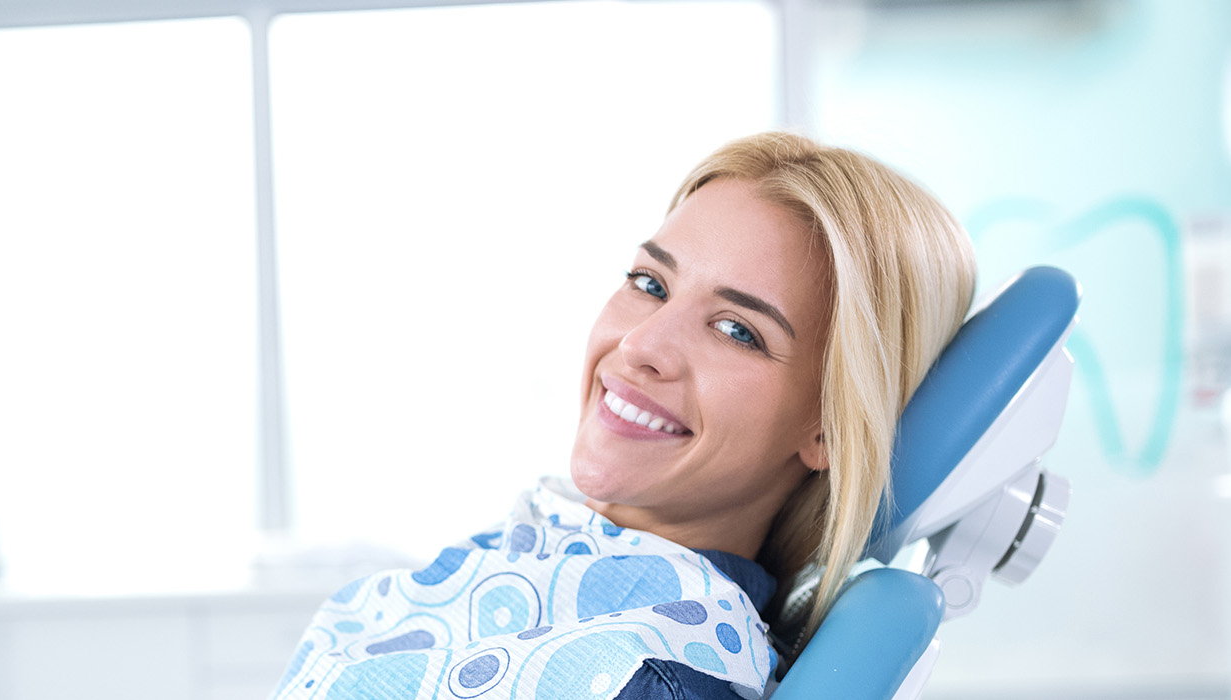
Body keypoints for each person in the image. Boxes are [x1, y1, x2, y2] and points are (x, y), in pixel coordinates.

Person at [270, 131, 978, 700]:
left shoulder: (651, 674)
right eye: (650, 283)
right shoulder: (539, 568)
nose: (641, 346)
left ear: (827, 425)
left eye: (737, 330)